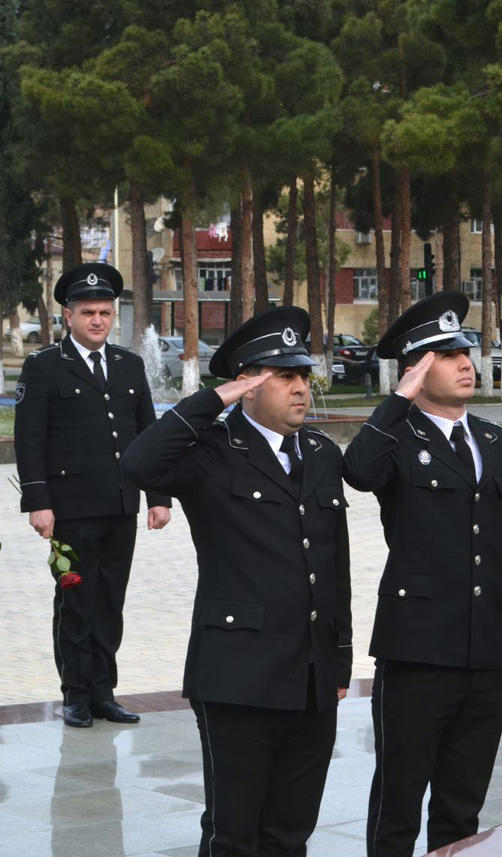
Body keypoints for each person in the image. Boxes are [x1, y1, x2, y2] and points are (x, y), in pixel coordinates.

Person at [121, 307, 352, 856]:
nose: (301, 389)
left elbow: (335, 564)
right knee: (234, 833)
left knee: (290, 832)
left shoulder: (320, 453)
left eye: (303, 376)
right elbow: (137, 463)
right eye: (285, 377)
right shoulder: (212, 452)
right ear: (247, 386)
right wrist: (212, 400)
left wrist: (339, 659)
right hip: (237, 674)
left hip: (313, 674)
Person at [344, 292, 502, 857]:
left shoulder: (495, 442)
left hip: (484, 646)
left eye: (465, 351)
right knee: (399, 803)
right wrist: (398, 399)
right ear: (417, 369)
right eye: (446, 356)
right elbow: (357, 471)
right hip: (418, 647)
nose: (465, 363)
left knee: (462, 802)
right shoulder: (398, 436)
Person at [14, 262, 172, 728]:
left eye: (105, 312)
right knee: (76, 602)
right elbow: (29, 441)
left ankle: (104, 691)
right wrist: (38, 503)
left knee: (110, 602)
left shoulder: (129, 363)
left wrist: (158, 496)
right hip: (70, 511)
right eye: (88, 312)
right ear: (69, 315)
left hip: (121, 507)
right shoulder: (43, 367)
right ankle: (76, 695)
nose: (98, 320)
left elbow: (150, 436)